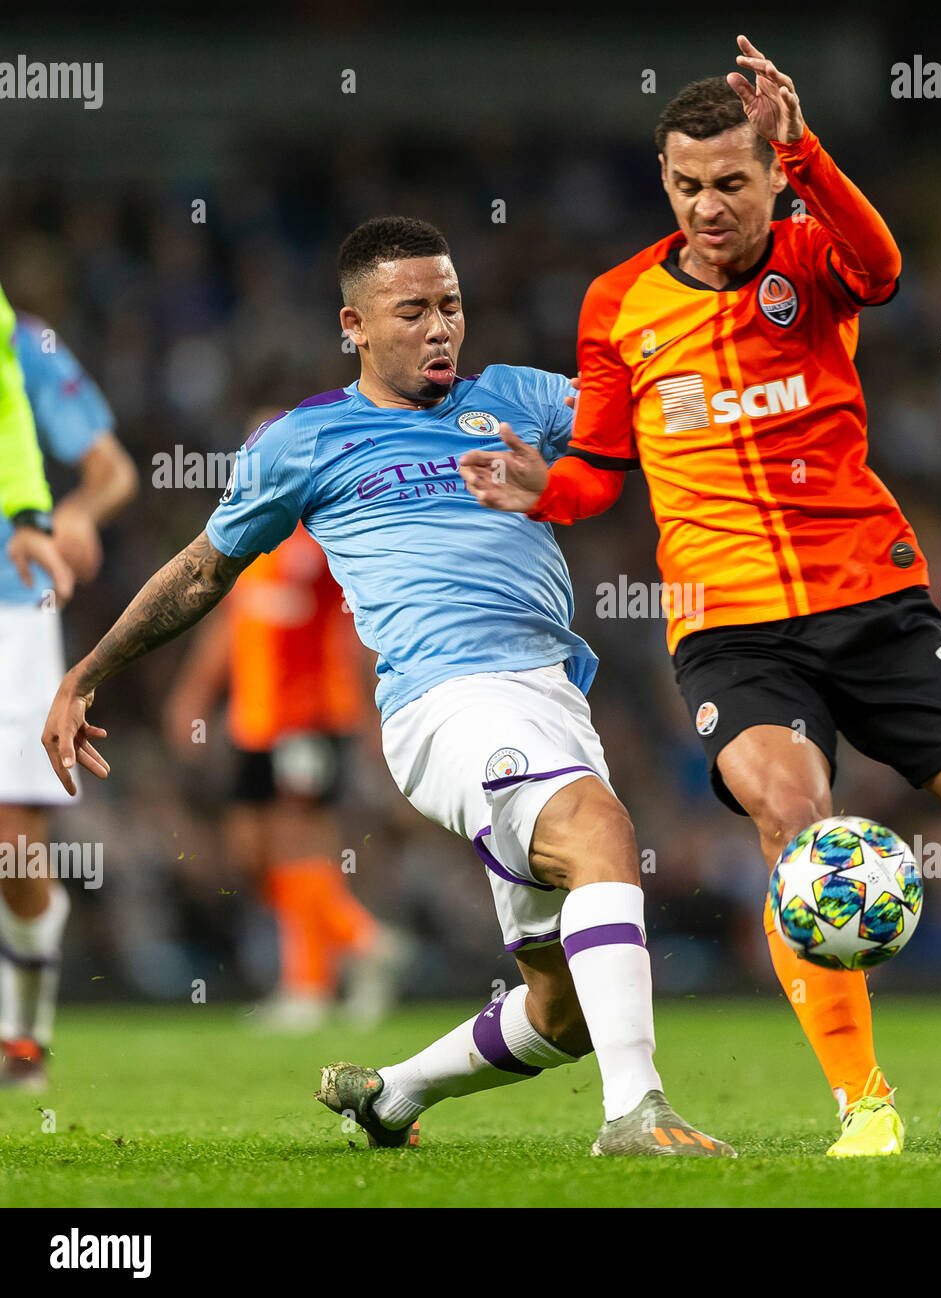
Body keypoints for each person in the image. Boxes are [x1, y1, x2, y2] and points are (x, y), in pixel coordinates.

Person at [458, 35, 941, 1156]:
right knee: (793, 826)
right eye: (685, 185)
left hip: (875, 604)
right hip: (731, 630)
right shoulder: (618, 303)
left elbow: (887, 265)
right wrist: (540, 490)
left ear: (769, 174)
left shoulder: (811, 262)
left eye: (730, 182)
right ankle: (865, 1101)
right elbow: (600, 471)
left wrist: (809, 147)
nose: (707, 205)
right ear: (662, 180)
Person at [42, 216, 732, 1157]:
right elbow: (205, 570)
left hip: (551, 696)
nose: (440, 327)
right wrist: (88, 673)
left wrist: (754, 390)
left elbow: (663, 419)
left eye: (450, 305)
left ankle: (392, 1094)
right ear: (354, 326)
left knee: (561, 1013)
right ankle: (637, 1114)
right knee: (599, 829)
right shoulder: (307, 440)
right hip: (445, 701)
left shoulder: (519, 398)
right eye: (412, 311)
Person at [164, 512, 409, 1032]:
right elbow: (233, 623)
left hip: (310, 719)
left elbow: (358, 625)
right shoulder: (245, 541)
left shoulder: (320, 544)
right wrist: (194, 694)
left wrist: (372, 709)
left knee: (299, 846)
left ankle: (308, 987)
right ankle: (363, 940)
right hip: (253, 723)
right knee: (249, 854)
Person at [0, 297, 136, 1089]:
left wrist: (74, 513)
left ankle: (22, 1027)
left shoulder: (26, 344)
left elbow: (111, 470)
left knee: (11, 829)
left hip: (13, 600)